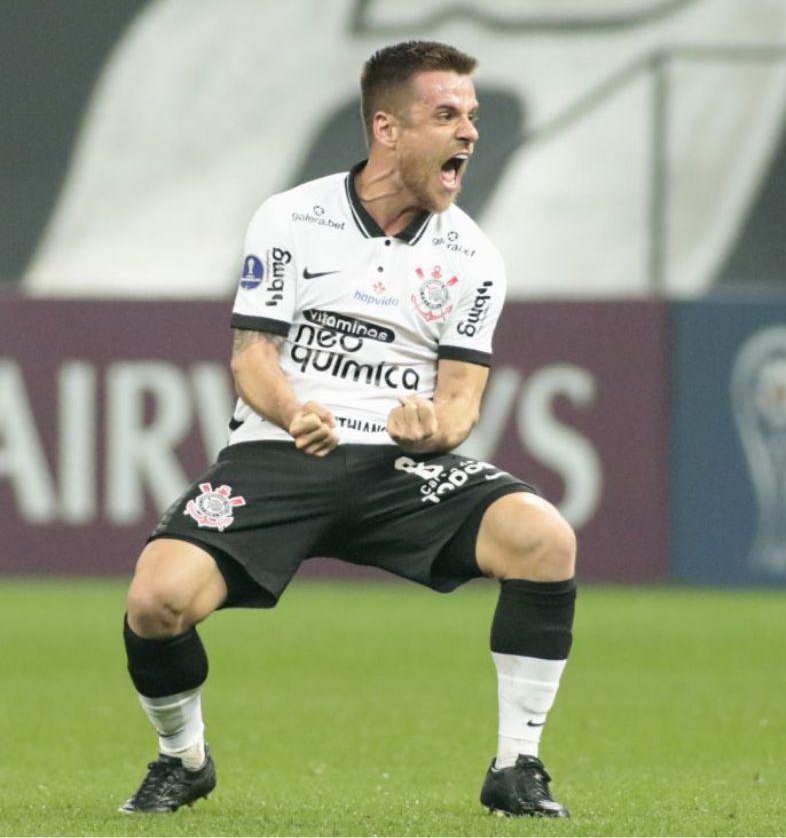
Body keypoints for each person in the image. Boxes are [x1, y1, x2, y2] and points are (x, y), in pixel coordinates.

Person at [119, 40, 575, 818]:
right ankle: (182, 757)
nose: (468, 132)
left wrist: (433, 428)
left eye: (473, 116)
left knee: (546, 539)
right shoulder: (292, 217)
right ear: (387, 129)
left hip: (397, 467)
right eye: (447, 114)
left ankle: (517, 765)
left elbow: (462, 402)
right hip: (281, 452)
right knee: (155, 602)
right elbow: (252, 358)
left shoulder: (476, 259)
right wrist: (294, 409)